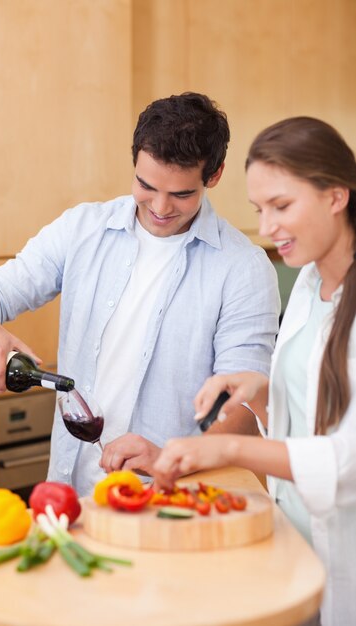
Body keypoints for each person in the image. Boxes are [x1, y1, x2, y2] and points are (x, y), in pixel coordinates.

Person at [0, 92, 280, 496]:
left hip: (172, 501)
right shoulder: (83, 229)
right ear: (135, 159)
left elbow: (244, 403)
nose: (159, 206)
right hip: (70, 497)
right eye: (146, 185)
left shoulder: (244, 268)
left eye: (181, 194)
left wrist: (175, 457)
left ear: (215, 174)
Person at [153, 116, 356, 626]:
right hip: (298, 559)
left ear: (336, 196)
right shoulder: (309, 285)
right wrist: (263, 395)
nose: (266, 228)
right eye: (259, 209)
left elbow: (344, 462)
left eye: (282, 206)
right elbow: (311, 421)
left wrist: (225, 446)